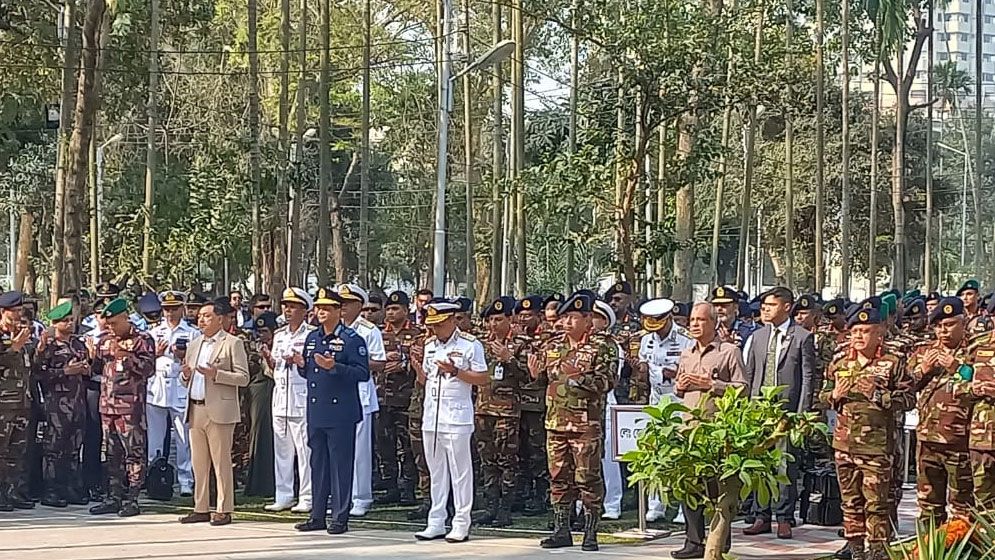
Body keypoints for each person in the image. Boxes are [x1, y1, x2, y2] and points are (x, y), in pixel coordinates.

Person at [820, 308, 915, 560]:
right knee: (850, 502)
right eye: (855, 332)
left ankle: (877, 549)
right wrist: (833, 396)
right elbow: (821, 396)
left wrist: (878, 394)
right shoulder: (840, 362)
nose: (859, 336)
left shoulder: (893, 363)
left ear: (879, 334)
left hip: (877, 447)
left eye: (866, 331)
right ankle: (854, 547)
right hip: (844, 444)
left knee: (876, 504)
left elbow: (908, 399)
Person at [529, 292, 616, 552]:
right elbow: (544, 379)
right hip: (555, 423)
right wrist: (534, 375)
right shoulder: (553, 345)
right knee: (558, 478)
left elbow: (608, 382)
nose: (566, 323)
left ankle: (590, 532)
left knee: (587, 478)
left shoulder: (603, 346)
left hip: (585, 425)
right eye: (564, 318)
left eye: (572, 318)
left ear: (588, 319)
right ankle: (561, 529)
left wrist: (580, 379)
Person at [669, 302, 749, 559]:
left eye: (701, 320)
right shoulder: (686, 353)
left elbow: (742, 389)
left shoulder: (729, 351)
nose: (694, 324)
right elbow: (679, 390)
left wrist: (712, 384)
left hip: (717, 432)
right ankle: (693, 541)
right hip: (689, 429)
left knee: (717, 489)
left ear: (714, 323)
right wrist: (679, 387)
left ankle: (720, 541)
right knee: (689, 487)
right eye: (692, 319)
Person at [293, 287, 371, 535]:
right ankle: (317, 515)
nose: (321, 312)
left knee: (340, 466)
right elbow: (310, 373)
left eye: (327, 308)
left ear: (339, 310)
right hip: (317, 411)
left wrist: (334, 366)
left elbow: (362, 373)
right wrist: (301, 366)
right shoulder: (312, 337)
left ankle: (339, 517)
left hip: (341, 413)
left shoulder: (351, 339)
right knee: (318, 464)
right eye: (318, 308)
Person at [742, 287, 816, 539]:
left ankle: (784, 517)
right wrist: (747, 409)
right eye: (763, 305)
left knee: (785, 465)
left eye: (770, 305)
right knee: (760, 464)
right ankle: (761, 515)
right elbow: (751, 374)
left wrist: (802, 413)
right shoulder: (758, 336)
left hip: (787, 411)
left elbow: (807, 378)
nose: (765, 309)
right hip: (760, 410)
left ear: (786, 307)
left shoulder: (802, 337)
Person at [414, 301, 489, 543]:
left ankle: (460, 522)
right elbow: (428, 380)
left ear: (451, 320)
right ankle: (436, 520)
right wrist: (418, 371)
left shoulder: (470, 345)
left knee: (460, 473)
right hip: (432, 416)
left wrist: (456, 372)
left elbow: (483, 378)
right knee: (436, 472)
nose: (434, 330)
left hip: (457, 417)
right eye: (431, 325)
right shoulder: (429, 346)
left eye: (438, 324)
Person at [177, 300, 250, 526]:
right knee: (198, 462)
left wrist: (217, 374)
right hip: (196, 407)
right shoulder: (195, 343)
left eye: (207, 316)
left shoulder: (232, 343)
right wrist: (186, 376)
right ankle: (200, 507)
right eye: (199, 316)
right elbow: (185, 378)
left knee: (221, 461)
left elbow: (243, 377)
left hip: (219, 409)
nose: (201, 320)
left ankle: (223, 508)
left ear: (220, 319)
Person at [909, 297, 975, 524]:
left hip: (961, 441)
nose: (943, 331)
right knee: (929, 506)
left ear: (963, 321)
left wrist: (957, 367)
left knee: (963, 508)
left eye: (949, 325)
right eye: (938, 326)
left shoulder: (974, 350)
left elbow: (981, 383)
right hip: (928, 439)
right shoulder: (924, 352)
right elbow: (906, 388)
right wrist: (924, 369)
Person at [89, 298, 156, 517]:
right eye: (107, 324)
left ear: (126, 318)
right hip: (107, 406)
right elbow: (97, 366)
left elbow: (149, 369)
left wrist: (127, 358)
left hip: (130, 407)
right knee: (111, 453)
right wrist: (91, 356)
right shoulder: (105, 340)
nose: (111, 328)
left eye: (114, 323)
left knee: (133, 454)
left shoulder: (142, 340)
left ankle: (133, 499)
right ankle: (114, 496)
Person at [633, 298, 694, 523]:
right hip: (655, 399)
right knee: (654, 451)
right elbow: (643, 366)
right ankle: (655, 505)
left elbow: (683, 371)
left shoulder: (686, 340)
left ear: (668, 319)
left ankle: (681, 507)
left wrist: (664, 372)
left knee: (681, 451)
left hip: (679, 400)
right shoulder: (646, 339)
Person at [473, 296, 528, 527]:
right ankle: (490, 506)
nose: (493, 324)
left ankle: (505, 509)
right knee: (488, 461)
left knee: (507, 462)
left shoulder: (520, 343)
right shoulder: (480, 343)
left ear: (510, 319)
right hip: (483, 410)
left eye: (498, 319)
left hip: (507, 413)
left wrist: (509, 359)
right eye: (491, 320)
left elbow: (529, 377)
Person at [335, 283, 387, 517]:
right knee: (337, 448)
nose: (343, 307)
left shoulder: (368, 330)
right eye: (340, 303)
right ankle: (339, 495)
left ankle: (361, 497)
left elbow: (380, 362)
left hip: (360, 393)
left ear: (360, 305)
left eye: (347, 303)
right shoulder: (332, 329)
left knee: (359, 450)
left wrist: (352, 362)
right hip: (335, 394)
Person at [35, 300, 90, 508]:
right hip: (57, 404)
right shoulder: (47, 347)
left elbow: (88, 368)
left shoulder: (78, 344)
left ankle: (70, 487)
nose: (70, 324)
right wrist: (64, 372)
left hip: (78, 402)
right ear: (55, 323)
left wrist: (86, 368)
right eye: (65, 321)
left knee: (74, 448)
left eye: (71, 320)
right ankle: (51, 490)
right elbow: (39, 374)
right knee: (54, 449)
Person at [267, 287, 315, 513]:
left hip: (301, 398)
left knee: (305, 452)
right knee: (282, 451)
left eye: (293, 306)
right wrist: (269, 359)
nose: (288, 310)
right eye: (286, 305)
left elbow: (312, 367)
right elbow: (275, 367)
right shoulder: (279, 335)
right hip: (280, 398)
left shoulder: (311, 335)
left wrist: (300, 360)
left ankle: (307, 496)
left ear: (305, 310)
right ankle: (283, 494)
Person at [147, 291, 199, 497]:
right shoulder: (153, 332)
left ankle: (186, 479)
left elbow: (195, 360)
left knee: (183, 437)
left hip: (179, 386)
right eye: (167, 309)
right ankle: (154, 477)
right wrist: (156, 353)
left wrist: (183, 355)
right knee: (155, 438)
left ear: (182, 308)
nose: (170, 313)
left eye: (174, 308)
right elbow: (144, 358)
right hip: (156, 387)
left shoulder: (192, 332)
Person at [375, 291, 420, 506]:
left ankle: (408, 488)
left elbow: (423, 363)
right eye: (389, 309)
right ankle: (390, 485)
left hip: (406, 398)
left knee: (407, 446)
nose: (391, 313)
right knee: (385, 444)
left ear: (406, 310)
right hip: (382, 398)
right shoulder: (379, 335)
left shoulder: (417, 334)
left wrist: (405, 364)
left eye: (396, 309)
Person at [515, 295, 551, 516]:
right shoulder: (517, 338)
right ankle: (524, 493)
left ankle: (541, 496)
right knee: (522, 453)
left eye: (529, 315)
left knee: (539, 454)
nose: (524, 319)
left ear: (539, 315)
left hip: (538, 405)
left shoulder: (549, 339)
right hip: (519, 404)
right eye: (521, 315)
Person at [0, 291, 35, 511]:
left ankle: (13, 492)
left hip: (22, 402)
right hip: (3, 404)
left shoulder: (23, 335)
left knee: (17, 451)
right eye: (13, 312)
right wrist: (13, 348)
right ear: (2, 312)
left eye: (20, 311)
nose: (17, 315)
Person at [591, 299, 625, 521]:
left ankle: (612, 503)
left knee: (609, 457)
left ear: (604, 321)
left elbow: (612, 378)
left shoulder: (612, 346)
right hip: (583, 407)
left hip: (606, 402)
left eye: (594, 317)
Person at [243, 311, 278, 497]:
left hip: (275, 390)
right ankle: (258, 482)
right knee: (258, 435)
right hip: (258, 392)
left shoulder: (280, 345)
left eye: (265, 331)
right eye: (258, 331)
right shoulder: (253, 346)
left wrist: (267, 358)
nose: (261, 336)